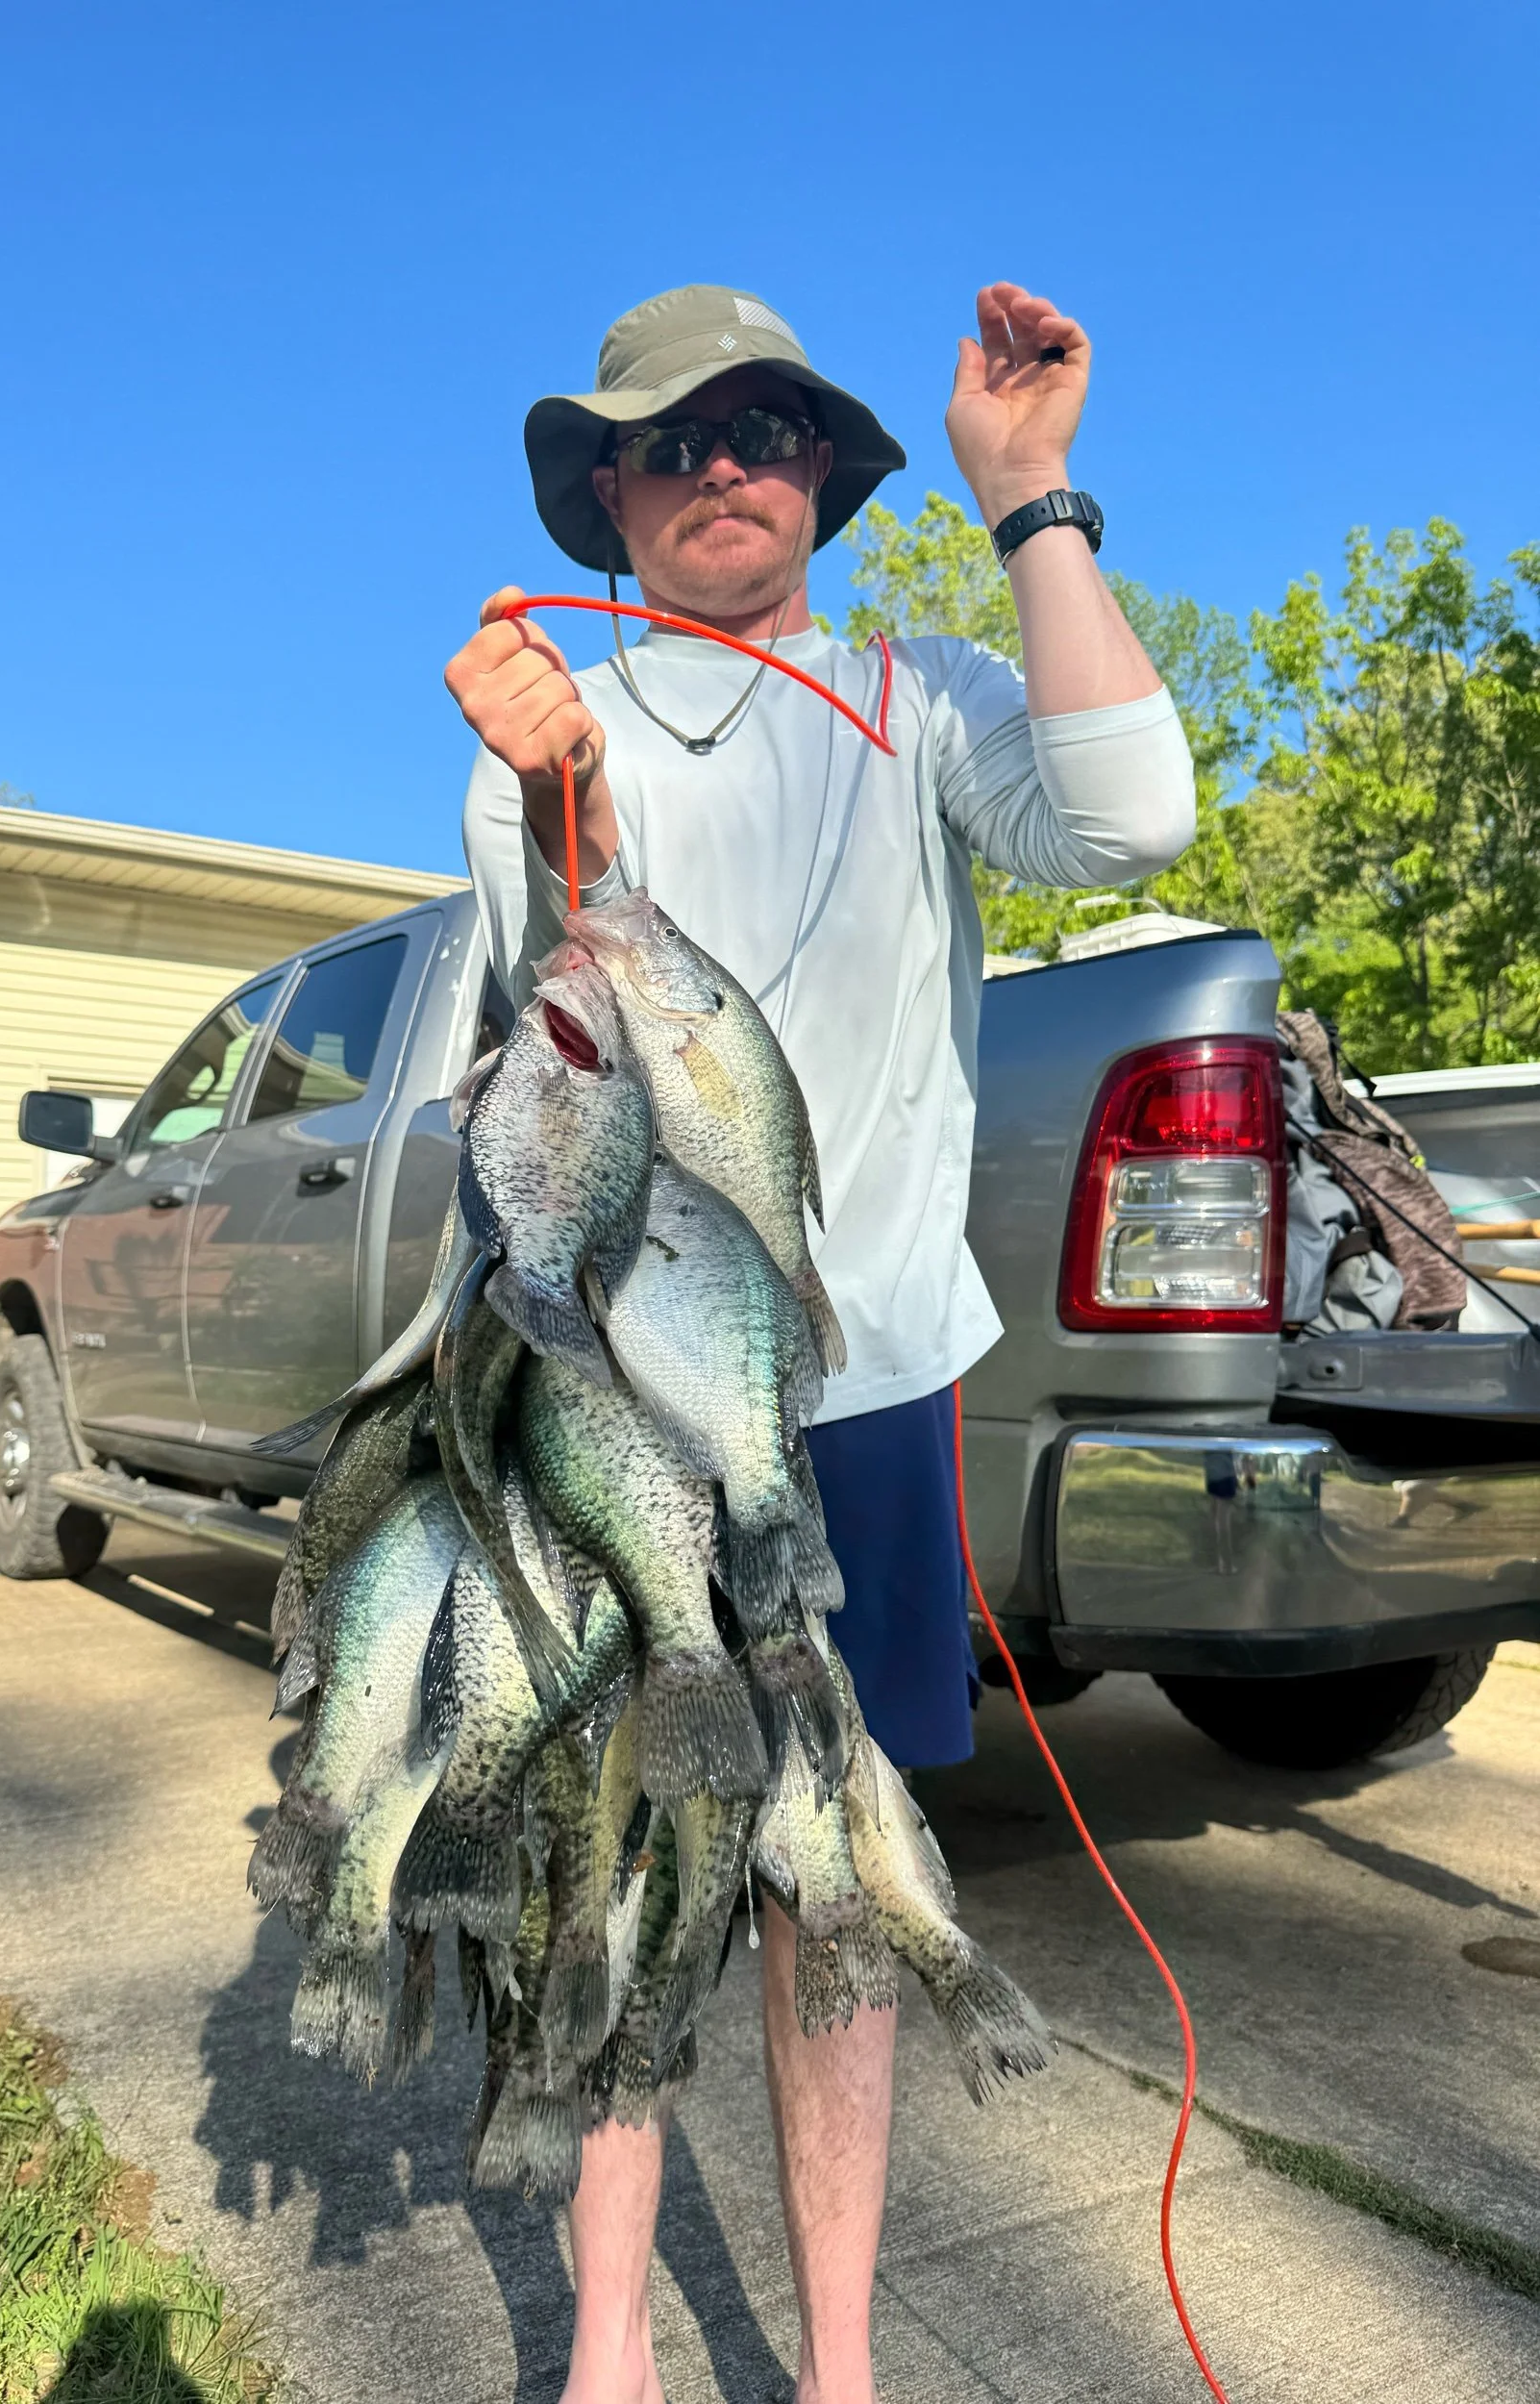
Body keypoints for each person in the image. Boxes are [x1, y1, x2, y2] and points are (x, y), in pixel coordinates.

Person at [445, 282, 1194, 2404]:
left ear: (826, 478)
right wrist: (547, 793)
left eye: (764, 427)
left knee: (832, 1890)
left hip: (862, 1396)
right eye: (669, 440)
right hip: (624, 1395)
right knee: (619, 1862)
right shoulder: (542, 719)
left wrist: (1031, 497)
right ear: (607, 490)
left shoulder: (925, 690)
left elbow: (1133, 818)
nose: (721, 466)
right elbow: (556, 1048)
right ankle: (608, 2349)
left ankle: (841, 2362)